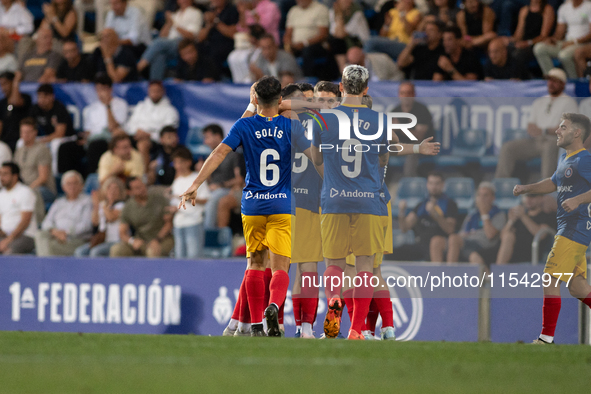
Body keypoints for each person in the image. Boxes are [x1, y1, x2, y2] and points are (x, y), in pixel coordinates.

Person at [310, 65, 440, 339]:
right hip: (368, 201)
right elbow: (386, 155)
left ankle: (333, 308)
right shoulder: (381, 120)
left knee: (333, 264)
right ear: (367, 89)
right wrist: (417, 147)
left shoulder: (322, 119)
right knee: (366, 266)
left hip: (333, 200)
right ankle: (357, 329)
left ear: (341, 87)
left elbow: (317, 159)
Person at [180, 76, 312, 337]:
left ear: (255, 99)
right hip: (282, 203)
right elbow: (314, 156)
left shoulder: (244, 125)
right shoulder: (289, 126)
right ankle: (273, 307)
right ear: (279, 100)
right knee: (280, 267)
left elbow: (218, 152)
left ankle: (254, 325)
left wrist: (195, 184)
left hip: (252, 204)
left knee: (254, 263)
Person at [512, 113, 591, 345]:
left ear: (577, 133)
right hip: (570, 229)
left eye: (563, 127)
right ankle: (546, 338)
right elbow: (553, 182)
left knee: (549, 278)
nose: (557, 130)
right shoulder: (567, 159)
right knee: (578, 288)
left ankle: (545, 339)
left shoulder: (584, 160)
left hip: (574, 229)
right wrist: (526, 189)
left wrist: (578, 200)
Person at [495, 68, 578, 180]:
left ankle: (546, 188)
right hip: (535, 140)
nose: (550, 84)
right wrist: (545, 130)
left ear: (562, 84)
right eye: (549, 80)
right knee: (507, 147)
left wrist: (544, 130)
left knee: (549, 147)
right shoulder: (539, 101)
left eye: (554, 81)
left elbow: (565, 130)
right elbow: (530, 127)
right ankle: (500, 184)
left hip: (554, 141)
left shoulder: (569, 102)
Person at [397, 172, 458, 262]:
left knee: (432, 249)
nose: (433, 187)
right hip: (421, 244)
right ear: (427, 185)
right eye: (431, 183)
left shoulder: (450, 204)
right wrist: (401, 212)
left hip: (438, 245)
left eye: (437, 183)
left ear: (442, 185)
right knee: (394, 253)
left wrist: (435, 214)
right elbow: (404, 228)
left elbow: (450, 229)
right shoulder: (421, 205)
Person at [137, 0, 203, 80]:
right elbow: (162, 36)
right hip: (169, 44)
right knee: (159, 54)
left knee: (158, 43)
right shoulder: (176, 14)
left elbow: (191, 36)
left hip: (184, 43)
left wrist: (174, 23)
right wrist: (168, 23)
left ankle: (137, 69)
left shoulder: (196, 13)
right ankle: (156, 84)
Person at [110, 176, 174, 257]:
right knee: (116, 250)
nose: (142, 189)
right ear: (130, 192)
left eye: (142, 185)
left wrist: (157, 239)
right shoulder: (128, 207)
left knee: (152, 252)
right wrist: (132, 241)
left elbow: (168, 224)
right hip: (141, 241)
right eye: (137, 188)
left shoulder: (159, 200)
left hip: (163, 239)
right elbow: (122, 232)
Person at [35, 170, 93, 256]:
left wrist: (66, 232)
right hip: (56, 236)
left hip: (76, 239)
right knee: (40, 234)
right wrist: (55, 231)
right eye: (69, 184)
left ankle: (44, 267)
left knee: (48, 247)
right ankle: (45, 265)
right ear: (63, 187)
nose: (72, 186)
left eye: (75, 183)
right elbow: (46, 222)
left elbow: (86, 225)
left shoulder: (87, 201)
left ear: (81, 186)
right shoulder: (59, 202)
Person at [447, 182, 506, 265]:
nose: (481, 198)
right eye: (479, 195)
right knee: (440, 241)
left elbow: (490, 235)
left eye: (485, 195)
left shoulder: (499, 214)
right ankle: (439, 272)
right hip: (467, 242)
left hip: (483, 246)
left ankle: (450, 272)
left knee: (456, 240)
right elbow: (462, 233)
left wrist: (484, 213)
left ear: (493, 198)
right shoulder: (473, 214)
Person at [199, 124, 244, 229]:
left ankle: (209, 234)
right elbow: (210, 182)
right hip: (212, 189)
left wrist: (220, 185)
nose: (205, 142)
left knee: (213, 199)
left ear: (218, 136)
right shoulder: (210, 157)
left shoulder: (233, 154)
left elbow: (239, 179)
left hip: (226, 189)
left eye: (207, 137)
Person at [126, 81, 179, 170]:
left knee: (143, 145)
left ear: (163, 91)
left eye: (157, 90)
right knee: (119, 141)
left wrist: (149, 135)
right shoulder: (140, 107)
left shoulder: (170, 111)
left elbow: (169, 133)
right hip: (136, 136)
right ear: (148, 91)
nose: (155, 93)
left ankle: (144, 175)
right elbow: (130, 124)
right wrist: (137, 132)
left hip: (156, 141)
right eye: (152, 90)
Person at [82, 73, 128, 173]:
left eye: (103, 89)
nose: (100, 93)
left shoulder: (120, 104)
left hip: (111, 138)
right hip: (93, 139)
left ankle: (95, 175)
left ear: (110, 89)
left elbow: (113, 127)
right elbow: (88, 131)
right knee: (68, 147)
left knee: (97, 145)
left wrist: (108, 105)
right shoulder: (90, 109)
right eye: (98, 90)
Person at [533, 0, 591, 79]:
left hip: (583, 43)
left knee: (564, 55)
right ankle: (552, 79)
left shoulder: (588, 6)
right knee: (540, 48)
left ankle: (573, 81)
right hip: (567, 41)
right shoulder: (564, 8)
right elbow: (560, 32)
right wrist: (553, 39)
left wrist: (574, 42)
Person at [170, 146, 209, 259]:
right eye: (176, 163)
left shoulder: (197, 179)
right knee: (179, 257)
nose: (178, 166)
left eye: (181, 162)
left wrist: (187, 197)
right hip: (178, 223)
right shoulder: (177, 181)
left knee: (194, 257)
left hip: (193, 222)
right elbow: (175, 201)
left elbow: (205, 199)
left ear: (188, 162)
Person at [496, 193, 556, 264]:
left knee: (509, 237)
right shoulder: (518, 216)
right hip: (511, 253)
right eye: (526, 196)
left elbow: (541, 235)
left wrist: (523, 216)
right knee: (508, 236)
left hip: (530, 254)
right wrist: (510, 221)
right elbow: (502, 237)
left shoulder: (547, 215)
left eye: (532, 196)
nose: (528, 199)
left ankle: (498, 271)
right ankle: (497, 270)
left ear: (541, 198)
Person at [74, 177, 126, 257]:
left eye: (116, 188)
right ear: (105, 190)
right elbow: (95, 222)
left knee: (96, 252)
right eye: (109, 188)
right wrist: (96, 205)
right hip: (103, 240)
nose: (112, 191)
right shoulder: (103, 205)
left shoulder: (122, 205)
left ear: (120, 191)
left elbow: (111, 218)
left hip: (116, 241)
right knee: (80, 252)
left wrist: (102, 202)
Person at [284, 0, 335, 80]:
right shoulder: (293, 11)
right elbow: (288, 33)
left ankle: (308, 80)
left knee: (307, 51)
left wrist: (304, 43)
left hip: (316, 45)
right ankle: (288, 80)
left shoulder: (320, 9)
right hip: (296, 45)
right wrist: (288, 45)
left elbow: (323, 34)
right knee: (283, 52)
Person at [392, 81, 435, 176]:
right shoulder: (395, 111)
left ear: (414, 94)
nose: (405, 96)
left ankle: (408, 183)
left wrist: (399, 127)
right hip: (401, 145)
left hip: (422, 145)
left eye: (409, 93)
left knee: (413, 149)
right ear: (399, 95)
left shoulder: (421, 110)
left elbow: (419, 136)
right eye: (403, 93)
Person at [13, 117, 57, 208]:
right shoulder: (19, 150)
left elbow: (43, 178)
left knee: (28, 195)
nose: (25, 135)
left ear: (35, 132)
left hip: (42, 189)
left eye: (28, 132)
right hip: (24, 186)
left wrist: (25, 190)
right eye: (23, 132)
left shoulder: (42, 149)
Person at [508, 0, 554, 80]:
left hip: (537, 44)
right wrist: (508, 40)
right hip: (524, 43)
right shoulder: (524, 10)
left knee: (518, 54)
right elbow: (519, 34)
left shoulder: (547, 9)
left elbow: (544, 35)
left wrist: (528, 43)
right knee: (502, 49)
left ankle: (520, 79)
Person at [0, 162, 37, 255]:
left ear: (15, 176)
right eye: (0, 174)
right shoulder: (2, 194)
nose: (1, 177)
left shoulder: (25, 192)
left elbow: (25, 222)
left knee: (9, 252)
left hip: (25, 235)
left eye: (5, 174)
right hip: (5, 235)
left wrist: (7, 240)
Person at [196, 0, 239, 77]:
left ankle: (212, 79)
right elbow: (200, 38)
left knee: (214, 53)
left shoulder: (232, 10)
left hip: (227, 43)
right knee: (194, 49)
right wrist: (208, 25)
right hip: (211, 43)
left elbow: (232, 33)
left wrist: (216, 21)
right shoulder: (209, 12)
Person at [328, 0, 370, 71]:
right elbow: (334, 32)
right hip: (344, 41)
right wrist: (339, 15)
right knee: (334, 42)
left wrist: (339, 16)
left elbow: (342, 33)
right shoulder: (333, 12)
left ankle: (344, 71)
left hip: (359, 42)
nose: (346, 1)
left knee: (337, 42)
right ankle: (342, 70)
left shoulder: (357, 13)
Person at [0, 71, 31, 152]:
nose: (3, 88)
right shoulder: (2, 103)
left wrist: (16, 81)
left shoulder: (25, 98)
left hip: (20, 140)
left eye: (5, 83)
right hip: (5, 141)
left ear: (12, 83)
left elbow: (15, 102)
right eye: (1, 85)